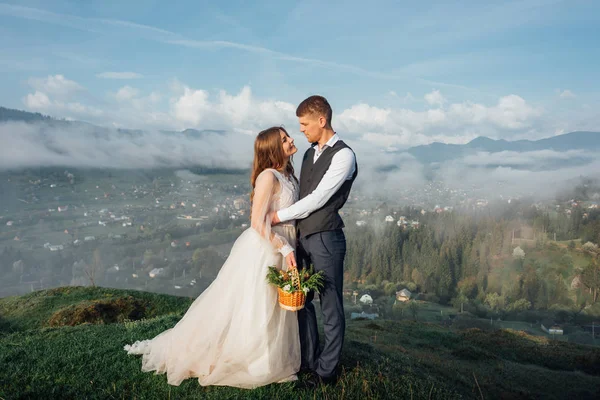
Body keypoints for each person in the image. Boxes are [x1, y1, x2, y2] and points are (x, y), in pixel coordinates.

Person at [124, 127, 302, 389]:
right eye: (285, 139)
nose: (291, 141)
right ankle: (256, 360)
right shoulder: (268, 176)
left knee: (277, 304)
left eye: (289, 137)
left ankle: (271, 357)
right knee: (259, 304)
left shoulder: (288, 173)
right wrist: (284, 247)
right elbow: (256, 221)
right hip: (268, 247)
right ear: (273, 148)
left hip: (285, 244)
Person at [272, 95, 358, 385]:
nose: (302, 130)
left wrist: (277, 216)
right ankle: (309, 361)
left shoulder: (345, 156)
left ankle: (326, 372)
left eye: (305, 124)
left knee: (330, 305)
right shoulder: (309, 154)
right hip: (302, 240)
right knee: (302, 302)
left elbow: (318, 199)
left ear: (322, 121)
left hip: (326, 238)